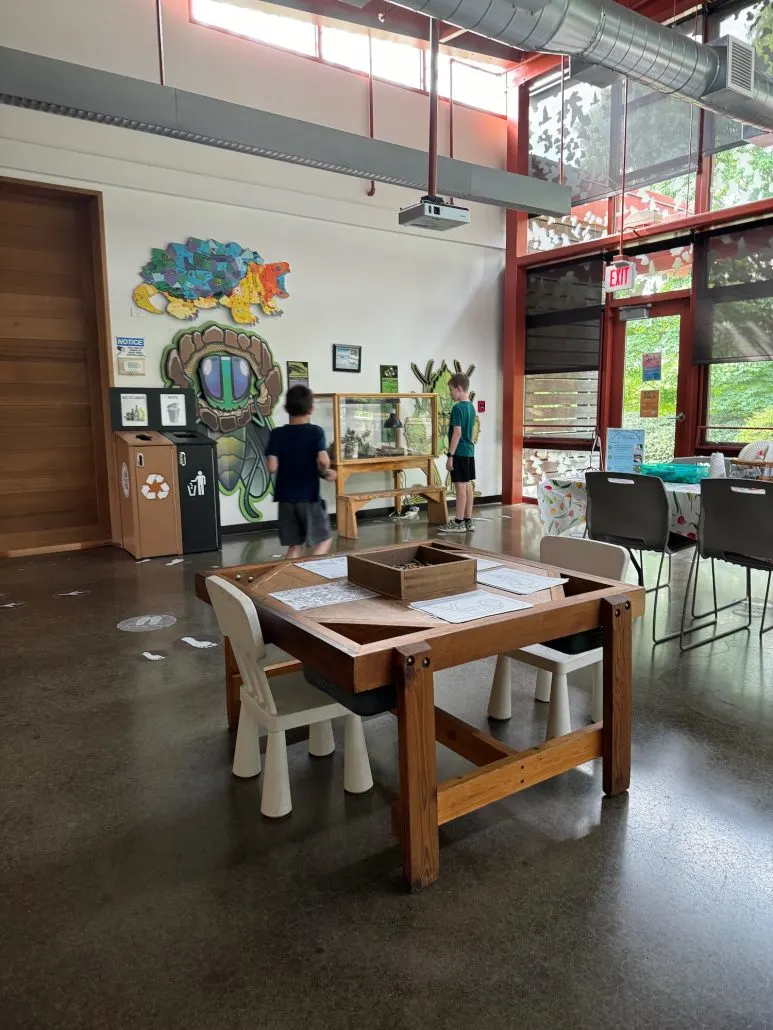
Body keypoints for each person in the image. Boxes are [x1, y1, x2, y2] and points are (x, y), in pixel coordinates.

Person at [266, 385, 336, 559]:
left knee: (294, 547)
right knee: (324, 540)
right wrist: (325, 471)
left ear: (286, 408)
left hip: (285, 499)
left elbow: (272, 467)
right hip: (308, 498)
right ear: (310, 409)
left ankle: (290, 580)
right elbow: (323, 460)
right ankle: (311, 572)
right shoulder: (315, 432)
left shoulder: (277, 434)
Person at [438, 372, 476, 534]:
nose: (450, 393)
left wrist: (450, 456)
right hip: (469, 451)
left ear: (459, 388)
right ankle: (468, 520)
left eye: (451, 390)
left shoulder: (457, 408)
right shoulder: (471, 407)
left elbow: (457, 433)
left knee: (460, 486)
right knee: (467, 485)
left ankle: (458, 521)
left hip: (459, 452)